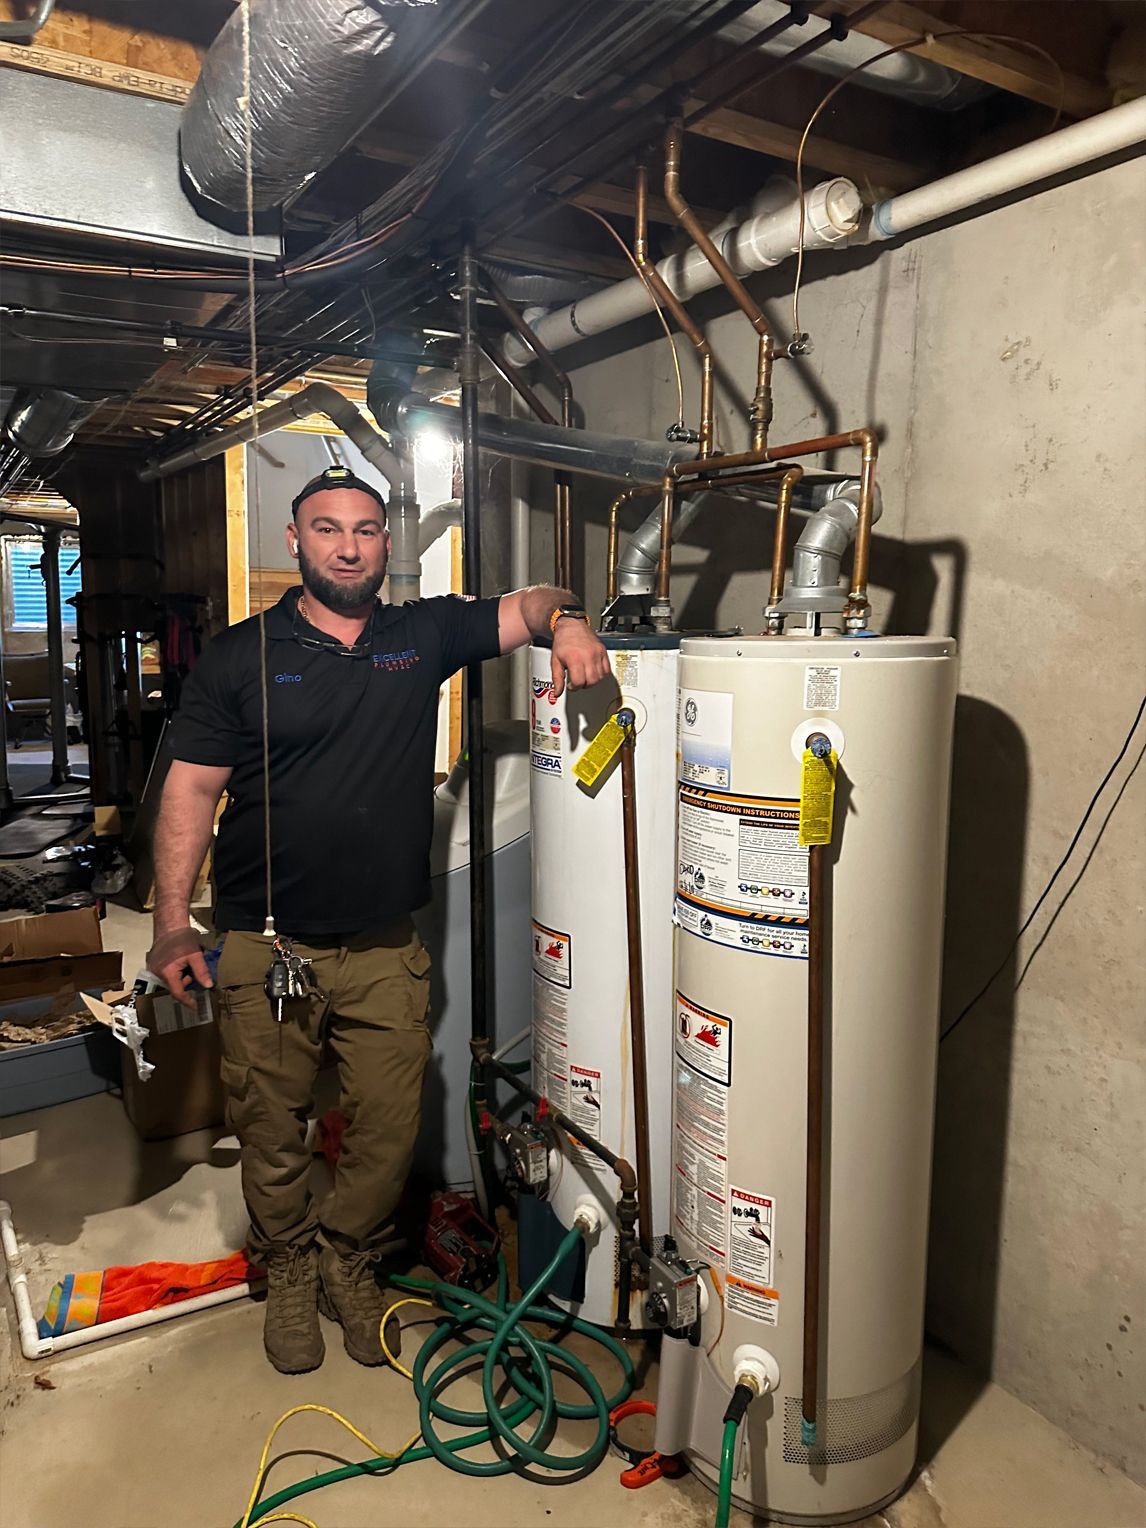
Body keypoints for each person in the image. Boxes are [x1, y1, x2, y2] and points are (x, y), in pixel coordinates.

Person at [147, 464, 610, 1374]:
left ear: (385, 543)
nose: (348, 545)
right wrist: (171, 923)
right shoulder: (242, 656)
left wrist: (568, 622)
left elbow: (534, 601)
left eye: (364, 529)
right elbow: (190, 791)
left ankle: (347, 1257)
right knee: (272, 1124)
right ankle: (286, 1266)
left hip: (383, 943)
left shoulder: (421, 633)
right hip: (265, 938)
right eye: (327, 529)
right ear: (296, 542)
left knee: (391, 1123)